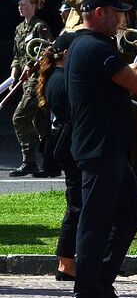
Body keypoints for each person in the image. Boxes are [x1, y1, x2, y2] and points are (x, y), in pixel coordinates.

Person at [65, 0, 137, 298]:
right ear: (99, 13)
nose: (120, 20)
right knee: (95, 221)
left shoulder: (95, 48)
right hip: (100, 148)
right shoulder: (93, 47)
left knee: (131, 211)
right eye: (115, 13)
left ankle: (102, 281)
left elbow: (123, 79)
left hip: (110, 147)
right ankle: (86, 295)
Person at [37, 32, 79, 280]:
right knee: (76, 205)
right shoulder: (63, 79)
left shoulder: (55, 75)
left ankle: (69, 262)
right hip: (69, 143)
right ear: (65, 54)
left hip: (64, 143)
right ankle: (66, 263)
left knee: (77, 202)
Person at [9, 0, 53, 177]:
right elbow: (16, 57)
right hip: (25, 83)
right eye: (19, 5)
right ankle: (51, 163)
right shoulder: (19, 29)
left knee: (19, 118)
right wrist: (13, 75)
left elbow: (48, 52)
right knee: (41, 125)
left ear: (33, 5)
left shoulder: (40, 27)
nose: (20, 7)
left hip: (37, 82)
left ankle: (29, 161)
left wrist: (32, 66)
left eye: (24, 4)